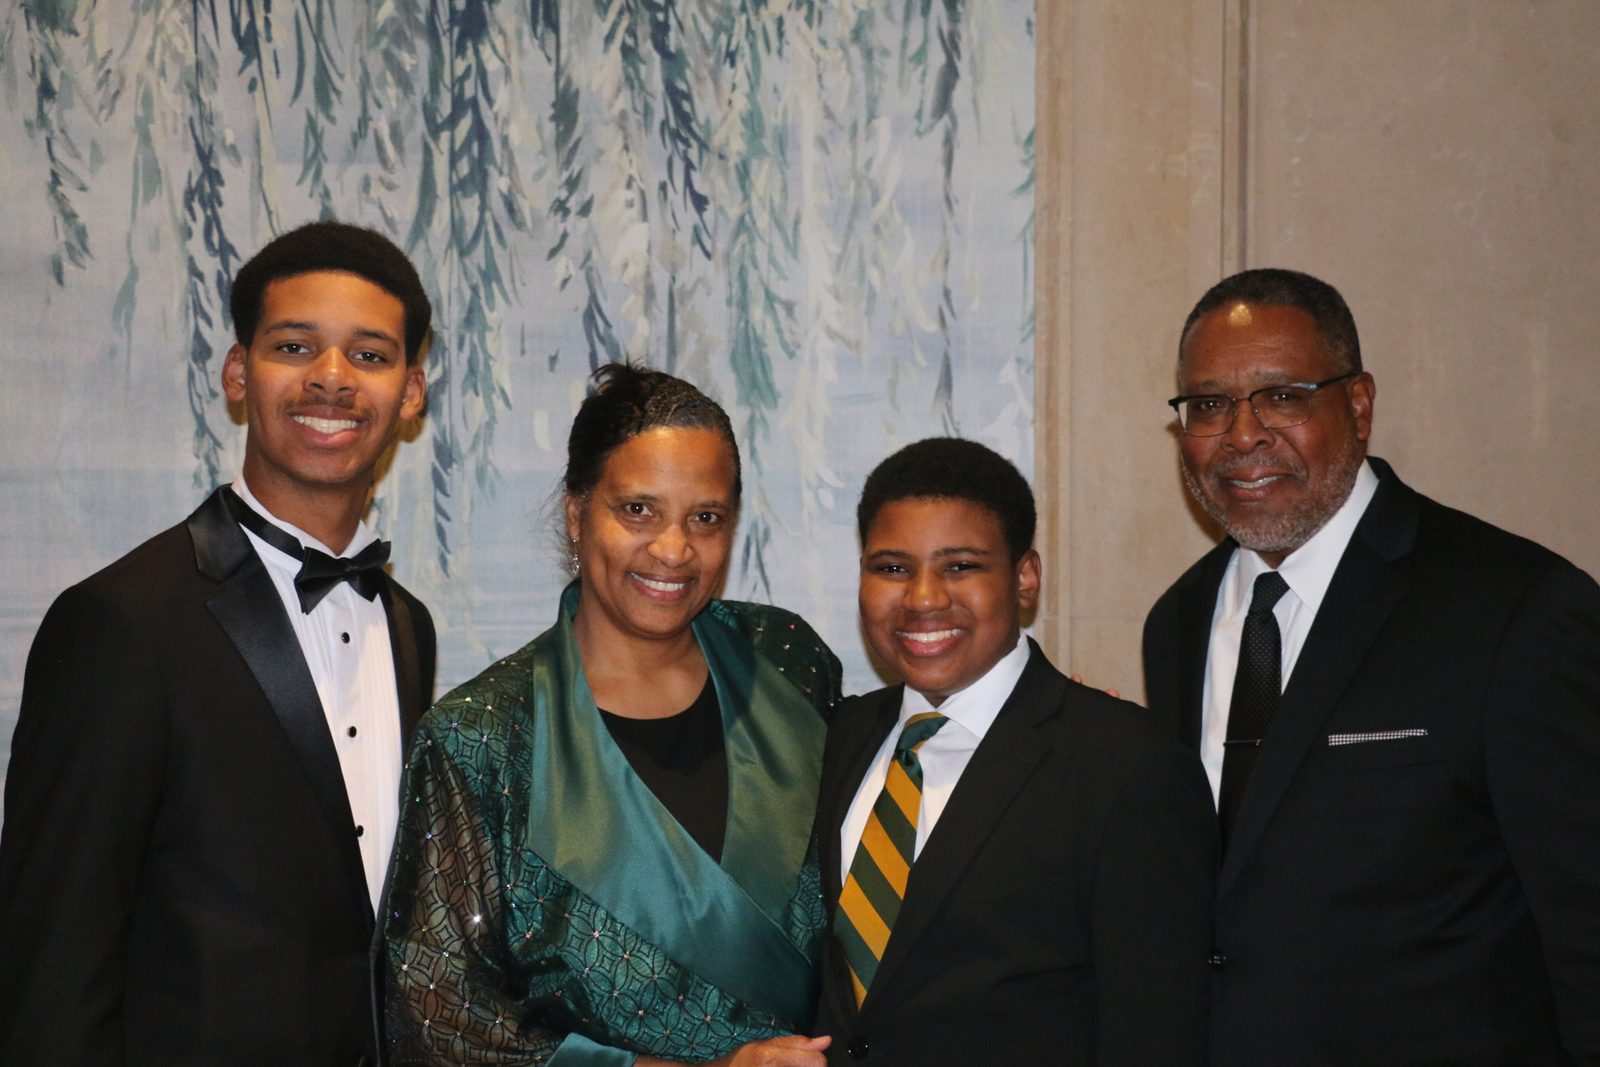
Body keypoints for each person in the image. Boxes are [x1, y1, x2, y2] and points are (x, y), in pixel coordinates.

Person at [0, 220, 438, 1064]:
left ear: (410, 392)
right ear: (240, 373)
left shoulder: (407, 624)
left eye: (369, 355)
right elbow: (50, 969)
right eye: (295, 346)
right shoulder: (122, 622)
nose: (332, 377)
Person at [1143, 267, 1600, 1065]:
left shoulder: (1515, 607)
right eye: (1209, 405)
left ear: (1358, 405)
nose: (1242, 434)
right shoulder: (1176, 621)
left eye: (1281, 396)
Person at [384, 363, 840, 1066]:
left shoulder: (788, 662)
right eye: (638, 510)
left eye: (705, 517)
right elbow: (436, 1014)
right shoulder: (480, 736)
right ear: (577, 513)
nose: (673, 549)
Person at [812, 437, 1215, 1065]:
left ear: (1024, 577)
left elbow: (1156, 1028)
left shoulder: (1127, 766)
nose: (922, 597)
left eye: (960, 567)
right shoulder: (838, 737)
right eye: (891, 568)